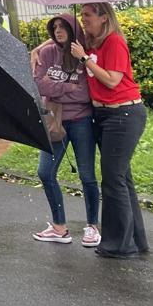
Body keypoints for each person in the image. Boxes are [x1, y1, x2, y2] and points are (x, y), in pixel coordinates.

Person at [74, 2, 148, 259]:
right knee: (122, 180)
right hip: (104, 115)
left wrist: (84, 58)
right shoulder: (92, 44)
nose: (84, 20)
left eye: (88, 15)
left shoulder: (114, 42)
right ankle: (135, 240)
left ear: (104, 17)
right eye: (82, 15)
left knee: (113, 180)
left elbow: (112, 79)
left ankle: (119, 244)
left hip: (123, 114)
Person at [29, 14, 101, 247]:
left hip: (81, 121)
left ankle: (92, 226)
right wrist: (68, 87)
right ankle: (59, 227)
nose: (59, 31)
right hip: (54, 120)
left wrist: (56, 88)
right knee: (45, 172)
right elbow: (38, 84)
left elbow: (85, 93)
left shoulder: (83, 51)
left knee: (87, 174)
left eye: (63, 27)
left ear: (73, 29)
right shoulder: (47, 52)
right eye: (55, 27)